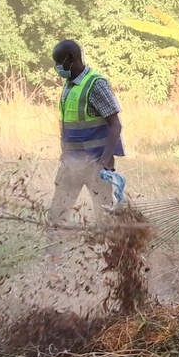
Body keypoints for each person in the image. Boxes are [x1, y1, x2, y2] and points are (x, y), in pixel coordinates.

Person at [49, 39, 124, 226]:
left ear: (71, 58)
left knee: (104, 219)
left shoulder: (96, 84)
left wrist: (103, 164)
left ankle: (108, 254)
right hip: (71, 165)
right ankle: (55, 254)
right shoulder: (69, 85)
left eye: (59, 62)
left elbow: (115, 125)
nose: (57, 67)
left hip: (96, 166)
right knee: (57, 216)